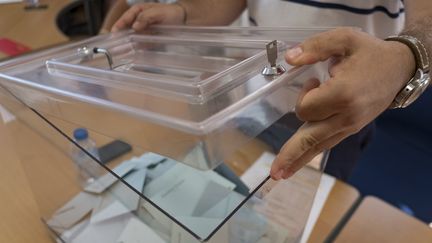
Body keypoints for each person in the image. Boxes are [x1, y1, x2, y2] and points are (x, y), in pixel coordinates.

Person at [109, 0, 432, 181]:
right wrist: (185, 13)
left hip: (337, 116)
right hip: (253, 98)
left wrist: (408, 53)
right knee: (234, 188)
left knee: (301, 209)